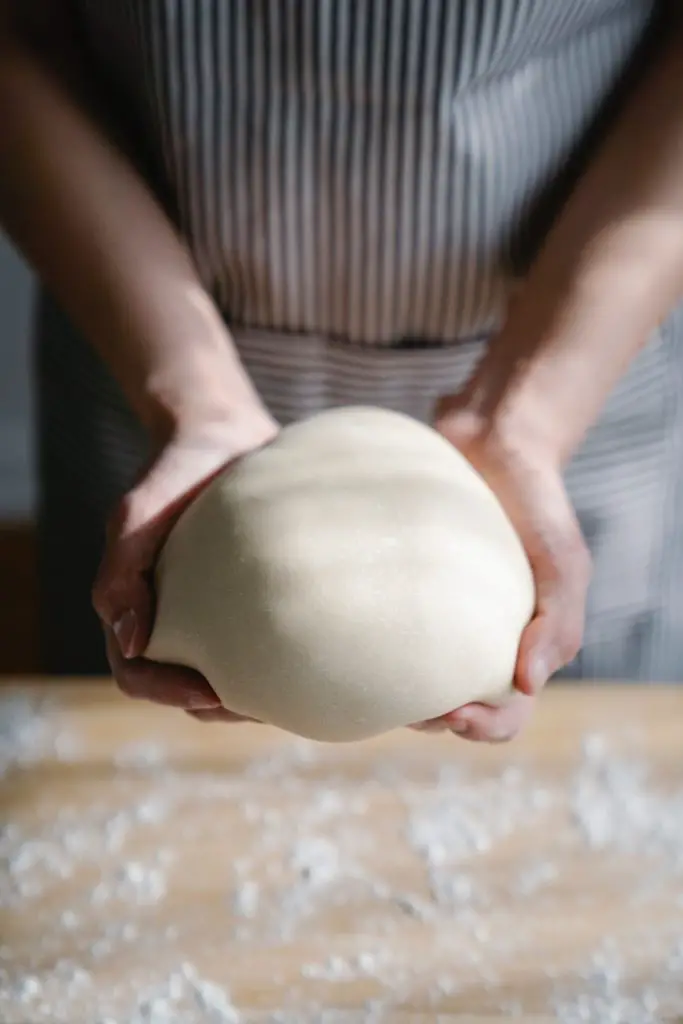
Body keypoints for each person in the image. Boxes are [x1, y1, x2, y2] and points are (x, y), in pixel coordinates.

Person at [2, 1, 682, 743]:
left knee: (581, 760)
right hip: (137, 333)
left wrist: (528, 421)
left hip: (578, 352)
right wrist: (194, 402)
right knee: (122, 740)